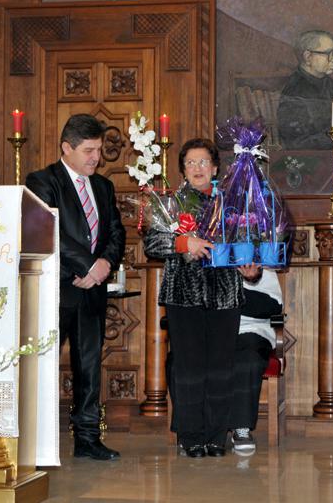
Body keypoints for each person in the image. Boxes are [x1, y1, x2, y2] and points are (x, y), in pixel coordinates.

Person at [25, 114, 125, 461]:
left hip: (93, 290)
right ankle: (36, 439)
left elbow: (116, 232)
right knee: (43, 364)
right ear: (66, 148)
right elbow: (47, 228)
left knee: (89, 366)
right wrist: (85, 266)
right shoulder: (42, 181)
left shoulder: (103, 186)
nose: (95, 157)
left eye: (98, 150)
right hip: (58, 289)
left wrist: (104, 266)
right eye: (88, 150)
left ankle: (87, 439)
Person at [142, 138, 245, 458]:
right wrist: (184, 244)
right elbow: (152, 245)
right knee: (189, 369)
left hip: (225, 296)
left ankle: (216, 436)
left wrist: (251, 265)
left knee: (220, 368)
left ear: (215, 168)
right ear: (183, 170)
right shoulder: (169, 203)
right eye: (191, 163)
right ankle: (190, 436)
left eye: (204, 162)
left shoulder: (234, 204)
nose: (198, 168)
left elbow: (247, 244)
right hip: (183, 297)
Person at [229, 266, 283, 455]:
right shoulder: (206, 254)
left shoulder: (262, 261)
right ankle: (202, 431)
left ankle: (241, 427)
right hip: (215, 328)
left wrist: (231, 290)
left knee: (248, 359)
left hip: (253, 330)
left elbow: (273, 306)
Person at [278, 30, 333, 150]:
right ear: (308, 57)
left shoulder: (329, 84)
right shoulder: (295, 89)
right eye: (328, 53)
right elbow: (298, 143)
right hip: (311, 159)